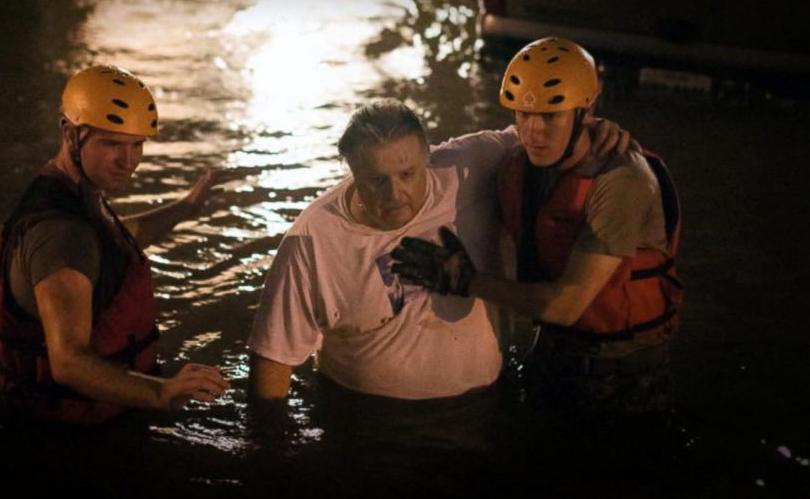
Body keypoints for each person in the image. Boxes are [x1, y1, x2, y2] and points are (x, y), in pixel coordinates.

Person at [246, 98, 629, 403]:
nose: (394, 194)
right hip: (368, 420)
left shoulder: (468, 165)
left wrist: (593, 131)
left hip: (486, 404)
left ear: (429, 156)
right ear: (351, 172)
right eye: (376, 180)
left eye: (408, 174)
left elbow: (546, 139)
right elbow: (273, 360)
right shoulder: (311, 240)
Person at [392, 37, 683, 416]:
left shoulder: (622, 180)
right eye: (523, 115)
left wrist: (467, 281)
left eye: (550, 116)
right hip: (550, 352)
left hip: (623, 372)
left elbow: (566, 305)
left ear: (586, 111)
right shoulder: (517, 166)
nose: (533, 131)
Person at [0, 65, 230, 425]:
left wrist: (186, 207)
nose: (128, 161)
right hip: (73, 440)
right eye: (111, 143)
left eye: (137, 144)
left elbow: (111, 244)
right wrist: (162, 392)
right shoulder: (61, 235)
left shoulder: (67, 194)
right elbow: (69, 362)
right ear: (71, 135)